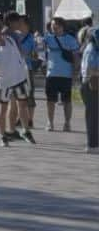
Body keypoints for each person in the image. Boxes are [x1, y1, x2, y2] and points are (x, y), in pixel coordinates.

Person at [0, 15, 36, 148]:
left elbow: (18, 57)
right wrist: (2, 47)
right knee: (3, 108)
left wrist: (23, 73)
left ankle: (26, 130)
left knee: (23, 105)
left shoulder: (10, 40)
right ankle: (2, 135)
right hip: (4, 82)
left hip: (19, 78)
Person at [41, 17, 78, 134]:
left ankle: (67, 123)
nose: (54, 28)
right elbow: (40, 51)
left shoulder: (71, 40)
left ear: (62, 27)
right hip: (51, 74)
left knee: (67, 101)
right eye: (52, 26)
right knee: (50, 100)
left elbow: (76, 57)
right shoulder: (47, 38)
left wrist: (75, 73)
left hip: (66, 75)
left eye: (56, 26)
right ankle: (50, 122)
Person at [81, 25, 98, 154]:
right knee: (93, 116)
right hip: (92, 85)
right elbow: (91, 70)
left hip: (93, 84)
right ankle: (92, 145)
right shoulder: (91, 49)